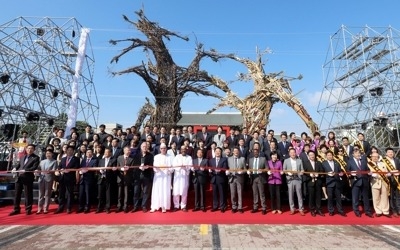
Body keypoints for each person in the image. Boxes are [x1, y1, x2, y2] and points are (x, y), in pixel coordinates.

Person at [9, 144, 40, 216]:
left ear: (34, 150)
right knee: (17, 194)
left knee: (28, 194)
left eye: (31, 148)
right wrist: (15, 168)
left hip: (28, 178)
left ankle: (28, 209)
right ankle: (16, 209)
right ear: (26, 149)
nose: (30, 150)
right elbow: (19, 165)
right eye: (28, 148)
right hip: (19, 177)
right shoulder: (22, 157)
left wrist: (25, 170)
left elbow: (34, 167)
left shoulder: (36, 158)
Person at [346, 148, 373, 218]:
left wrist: (369, 172)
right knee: (355, 198)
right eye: (356, 153)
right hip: (355, 181)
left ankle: (367, 211)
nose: (358, 154)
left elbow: (367, 169)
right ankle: (356, 211)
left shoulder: (364, 161)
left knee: (366, 198)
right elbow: (347, 171)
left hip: (364, 181)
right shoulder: (350, 162)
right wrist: (351, 174)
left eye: (359, 153)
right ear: (353, 154)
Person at [55, 146, 80, 214]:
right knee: (61, 193)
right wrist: (59, 170)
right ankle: (60, 207)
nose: (69, 151)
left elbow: (76, 167)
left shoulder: (76, 159)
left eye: (71, 150)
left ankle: (69, 208)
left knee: (69, 194)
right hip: (62, 178)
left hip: (70, 178)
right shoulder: (63, 159)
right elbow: (59, 166)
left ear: (73, 151)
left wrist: (68, 170)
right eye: (68, 150)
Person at [322, 151, 346, 217]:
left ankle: (340, 210)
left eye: (331, 155)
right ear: (326, 156)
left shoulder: (336, 163)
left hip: (337, 182)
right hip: (329, 182)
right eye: (328, 155)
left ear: (333, 156)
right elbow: (322, 173)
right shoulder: (324, 163)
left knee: (338, 197)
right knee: (330, 197)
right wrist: (327, 174)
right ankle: (331, 210)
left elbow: (340, 170)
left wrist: (341, 173)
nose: (330, 156)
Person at [151, 143, 173, 213]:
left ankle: (164, 206)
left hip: (166, 177)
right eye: (162, 148)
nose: (163, 149)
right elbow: (154, 167)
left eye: (164, 148)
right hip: (158, 176)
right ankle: (154, 206)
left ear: (166, 149)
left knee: (165, 191)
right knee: (156, 191)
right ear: (160, 149)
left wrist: (167, 170)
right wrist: (159, 169)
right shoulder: (156, 157)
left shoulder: (170, 157)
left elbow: (173, 167)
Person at [132, 142, 154, 213]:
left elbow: (151, 165)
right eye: (143, 146)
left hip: (146, 175)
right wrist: (139, 167)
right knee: (136, 192)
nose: (145, 147)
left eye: (146, 146)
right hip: (138, 175)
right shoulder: (136, 155)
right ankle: (135, 206)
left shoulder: (150, 155)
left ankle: (143, 206)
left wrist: (146, 167)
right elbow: (134, 165)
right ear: (141, 147)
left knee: (146, 192)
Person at [283, 148, 305, 216]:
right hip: (290, 179)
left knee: (299, 195)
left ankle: (301, 209)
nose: (293, 154)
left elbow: (302, 169)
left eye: (294, 152)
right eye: (291, 152)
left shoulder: (299, 160)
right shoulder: (286, 161)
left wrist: (301, 172)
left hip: (298, 179)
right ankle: (292, 208)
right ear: (289, 154)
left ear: (295, 153)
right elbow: (284, 170)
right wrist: (288, 173)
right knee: (291, 195)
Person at [303, 150, 324, 217]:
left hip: (318, 182)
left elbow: (322, 171)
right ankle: (312, 210)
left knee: (318, 196)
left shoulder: (319, 163)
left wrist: (319, 175)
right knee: (311, 197)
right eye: (310, 155)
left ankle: (319, 209)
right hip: (310, 182)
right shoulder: (305, 163)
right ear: (308, 156)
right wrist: (310, 175)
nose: (312, 156)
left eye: (313, 155)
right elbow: (304, 173)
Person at [172, 145, 193, 212]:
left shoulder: (189, 157)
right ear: (180, 150)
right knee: (176, 191)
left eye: (184, 149)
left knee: (184, 191)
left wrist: (185, 167)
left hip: (184, 176)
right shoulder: (177, 157)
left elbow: (190, 166)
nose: (183, 150)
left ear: (186, 150)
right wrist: (180, 166)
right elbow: (174, 165)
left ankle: (183, 206)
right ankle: (176, 205)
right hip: (177, 176)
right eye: (182, 149)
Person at [370, 152, 391, 217]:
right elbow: (367, 172)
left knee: (385, 197)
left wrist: (388, 174)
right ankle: (378, 211)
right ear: (371, 157)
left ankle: (385, 211)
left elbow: (386, 171)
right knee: (376, 198)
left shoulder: (382, 163)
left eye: (377, 156)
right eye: (374, 156)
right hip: (375, 182)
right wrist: (372, 175)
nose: (375, 158)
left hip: (383, 182)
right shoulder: (369, 164)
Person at [77, 148, 98, 213]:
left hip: (89, 179)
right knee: (81, 193)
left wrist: (87, 170)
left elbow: (94, 169)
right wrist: (80, 171)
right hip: (82, 179)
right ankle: (80, 207)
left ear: (92, 153)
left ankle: (87, 207)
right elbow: (80, 167)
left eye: (90, 152)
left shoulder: (95, 160)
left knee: (87, 193)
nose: (88, 153)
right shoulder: (83, 160)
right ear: (86, 154)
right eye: (87, 152)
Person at [36, 149, 57, 214]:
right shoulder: (42, 161)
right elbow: (39, 169)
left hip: (49, 178)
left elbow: (54, 170)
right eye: (47, 153)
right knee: (41, 194)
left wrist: (49, 171)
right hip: (41, 178)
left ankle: (46, 208)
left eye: (49, 153)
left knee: (47, 194)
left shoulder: (54, 161)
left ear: (52, 154)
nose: (48, 154)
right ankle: (39, 208)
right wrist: (37, 172)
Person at [248, 147, 267, 214]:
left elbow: (267, 168)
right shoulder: (250, 160)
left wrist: (262, 171)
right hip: (253, 178)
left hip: (260, 177)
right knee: (255, 193)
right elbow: (249, 168)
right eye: (254, 152)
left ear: (259, 153)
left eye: (256, 152)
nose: (255, 153)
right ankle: (255, 207)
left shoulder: (263, 159)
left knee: (261, 193)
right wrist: (249, 171)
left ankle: (264, 208)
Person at [97, 148, 117, 213]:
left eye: (107, 152)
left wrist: (107, 170)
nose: (106, 153)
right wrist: (100, 171)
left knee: (108, 194)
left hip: (109, 179)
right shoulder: (101, 160)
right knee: (100, 194)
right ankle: (99, 207)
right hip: (101, 179)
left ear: (110, 153)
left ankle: (107, 207)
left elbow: (114, 170)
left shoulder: (113, 160)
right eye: (105, 152)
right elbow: (98, 169)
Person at [227, 147, 246, 213]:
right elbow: (228, 168)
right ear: (232, 152)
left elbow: (245, 169)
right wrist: (228, 172)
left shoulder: (242, 159)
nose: (236, 152)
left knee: (240, 193)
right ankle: (234, 206)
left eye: (237, 151)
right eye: (234, 151)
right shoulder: (229, 159)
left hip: (239, 178)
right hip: (232, 178)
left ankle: (240, 207)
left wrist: (242, 172)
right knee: (233, 194)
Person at [209, 147, 228, 212]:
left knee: (222, 193)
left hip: (221, 178)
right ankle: (215, 206)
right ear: (214, 152)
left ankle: (222, 206)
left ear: (221, 152)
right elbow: (210, 168)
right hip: (214, 178)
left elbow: (225, 167)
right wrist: (211, 171)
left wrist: (220, 170)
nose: (217, 152)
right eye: (216, 151)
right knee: (214, 193)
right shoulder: (211, 160)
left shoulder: (224, 159)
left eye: (219, 151)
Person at [115, 146, 134, 213]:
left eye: (129, 150)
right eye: (127, 150)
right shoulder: (119, 157)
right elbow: (117, 166)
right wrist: (121, 169)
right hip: (120, 177)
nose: (129, 151)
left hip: (127, 177)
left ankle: (125, 207)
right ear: (124, 151)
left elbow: (132, 168)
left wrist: (128, 169)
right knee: (119, 193)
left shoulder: (131, 159)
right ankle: (119, 206)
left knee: (126, 193)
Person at [383, 147, 400, 217]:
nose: (391, 153)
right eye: (389, 152)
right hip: (389, 180)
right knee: (392, 196)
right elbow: (383, 171)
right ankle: (393, 210)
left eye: (392, 152)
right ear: (386, 153)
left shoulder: (397, 160)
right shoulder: (384, 161)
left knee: (398, 196)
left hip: (397, 179)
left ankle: (399, 208)